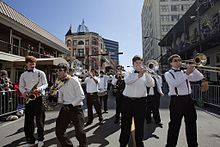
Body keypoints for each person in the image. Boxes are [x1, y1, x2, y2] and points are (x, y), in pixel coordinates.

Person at [164, 54, 204, 147]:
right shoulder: (168, 74)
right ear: (171, 63)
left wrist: (193, 68)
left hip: (188, 100)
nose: (178, 62)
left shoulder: (185, 72)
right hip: (176, 101)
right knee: (174, 125)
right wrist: (187, 74)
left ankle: (193, 145)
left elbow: (200, 77)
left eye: (179, 60)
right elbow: (175, 83)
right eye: (175, 60)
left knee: (191, 124)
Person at [119, 55, 155, 147]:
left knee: (140, 125)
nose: (138, 65)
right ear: (133, 64)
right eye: (136, 63)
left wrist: (146, 74)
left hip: (141, 102)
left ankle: (139, 143)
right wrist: (139, 75)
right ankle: (123, 143)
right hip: (127, 101)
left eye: (140, 63)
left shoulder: (146, 73)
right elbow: (128, 81)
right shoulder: (128, 72)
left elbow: (151, 84)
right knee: (125, 124)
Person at [55, 63, 87, 147]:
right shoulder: (59, 82)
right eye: (57, 70)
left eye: (60, 70)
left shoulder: (74, 80)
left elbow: (81, 96)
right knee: (59, 131)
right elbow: (61, 97)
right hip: (65, 108)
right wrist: (55, 100)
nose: (58, 72)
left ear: (66, 71)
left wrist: (71, 105)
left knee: (80, 132)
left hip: (75, 108)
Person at [19, 56, 48, 147]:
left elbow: (46, 84)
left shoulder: (41, 73)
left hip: (39, 98)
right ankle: (30, 140)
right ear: (26, 64)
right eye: (31, 63)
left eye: (34, 63)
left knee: (40, 121)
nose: (33, 65)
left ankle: (40, 139)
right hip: (29, 98)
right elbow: (21, 86)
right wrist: (24, 93)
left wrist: (38, 89)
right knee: (28, 121)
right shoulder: (23, 75)